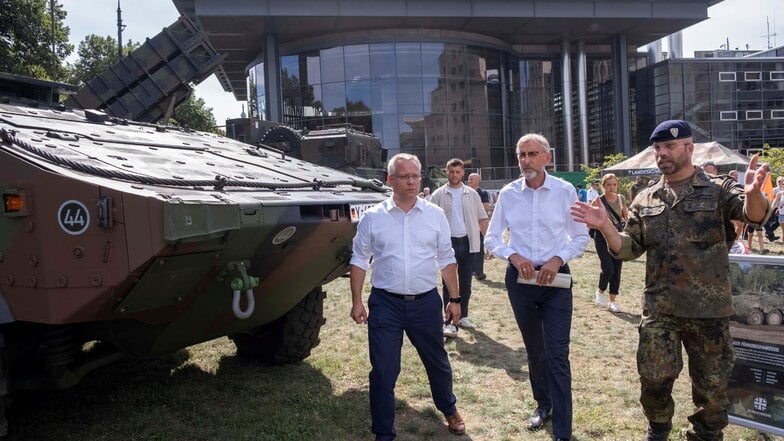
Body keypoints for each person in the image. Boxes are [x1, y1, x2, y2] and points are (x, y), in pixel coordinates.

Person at [570, 119, 770, 441]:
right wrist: (605, 226)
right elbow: (627, 249)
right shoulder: (645, 198)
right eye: (658, 147)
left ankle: (706, 435)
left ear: (689, 148)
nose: (662, 153)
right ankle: (659, 429)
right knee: (653, 379)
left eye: (670, 146)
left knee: (711, 391)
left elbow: (755, 215)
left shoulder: (719, 190)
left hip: (709, 313)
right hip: (661, 310)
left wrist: (753, 194)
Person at [350, 153, 466, 441]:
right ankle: (384, 433)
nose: (412, 181)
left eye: (416, 175)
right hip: (385, 304)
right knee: (384, 371)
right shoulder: (373, 218)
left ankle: (449, 409)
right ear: (390, 180)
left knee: (437, 361)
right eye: (405, 176)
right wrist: (356, 300)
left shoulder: (434, 215)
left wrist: (455, 299)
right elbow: (359, 259)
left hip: (426, 303)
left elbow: (446, 259)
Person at [485, 133, 590, 441]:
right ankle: (543, 405)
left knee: (557, 352)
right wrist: (512, 254)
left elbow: (581, 237)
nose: (526, 160)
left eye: (532, 154)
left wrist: (558, 258)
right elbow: (491, 238)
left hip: (555, 281)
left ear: (548, 157)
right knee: (535, 348)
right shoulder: (508, 193)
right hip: (521, 281)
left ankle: (562, 431)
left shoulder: (564, 190)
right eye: (522, 155)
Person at [431, 159, 489, 336]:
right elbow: (431, 221)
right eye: (451, 171)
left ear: (463, 173)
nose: (454, 175)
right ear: (446, 172)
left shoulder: (472, 194)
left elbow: (482, 218)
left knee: (466, 282)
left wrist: (488, 242)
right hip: (447, 245)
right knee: (448, 283)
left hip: (468, 243)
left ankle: (463, 315)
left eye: (457, 172)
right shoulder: (438, 195)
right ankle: (449, 322)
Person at [591, 173, 628, 313]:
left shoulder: (621, 198)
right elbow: (590, 221)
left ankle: (613, 301)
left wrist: (625, 224)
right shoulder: (598, 200)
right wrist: (603, 226)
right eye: (608, 185)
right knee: (608, 269)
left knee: (617, 270)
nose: (612, 187)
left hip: (618, 237)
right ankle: (600, 291)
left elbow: (626, 215)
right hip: (601, 237)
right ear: (603, 186)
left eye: (614, 184)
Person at [467, 172, 491, 281]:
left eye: (471, 179)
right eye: (468, 179)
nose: (469, 181)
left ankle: (479, 272)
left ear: (478, 180)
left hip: (478, 224)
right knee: (468, 248)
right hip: (467, 224)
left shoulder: (483, 193)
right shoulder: (465, 192)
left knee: (479, 249)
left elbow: (485, 207)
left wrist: (472, 208)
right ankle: (471, 269)